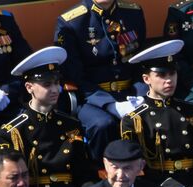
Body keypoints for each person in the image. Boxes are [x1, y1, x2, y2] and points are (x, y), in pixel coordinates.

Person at [0, 48, 89, 187]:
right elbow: (14, 181)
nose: (55, 89)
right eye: (47, 84)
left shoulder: (71, 124)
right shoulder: (13, 131)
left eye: (56, 83)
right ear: (29, 87)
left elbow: (83, 171)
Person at [53, 0, 147, 159]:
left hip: (130, 91)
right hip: (91, 98)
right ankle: (101, 172)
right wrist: (109, 103)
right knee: (102, 124)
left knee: (151, 114)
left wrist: (142, 94)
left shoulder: (133, 12)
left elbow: (140, 61)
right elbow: (74, 74)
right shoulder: (71, 22)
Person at [119, 40, 193, 187]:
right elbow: (138, 168)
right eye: (161, 75)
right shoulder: (134, 120)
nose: (169, 80)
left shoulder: (192, 110)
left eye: (172, 73)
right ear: (146, 79)